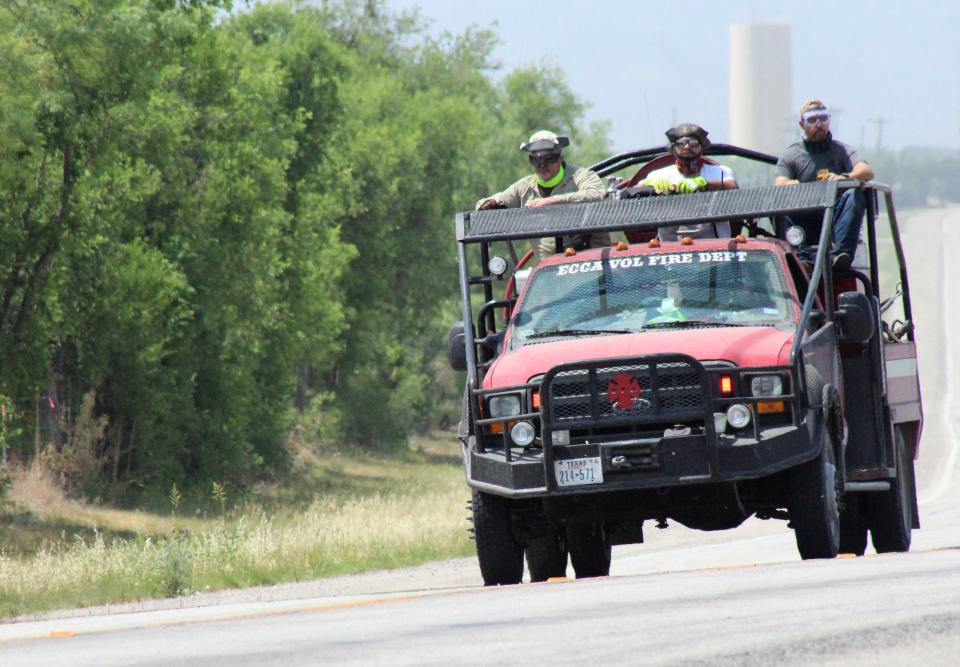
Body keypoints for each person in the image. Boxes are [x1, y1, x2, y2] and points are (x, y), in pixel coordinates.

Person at [775, 100, 875, 270]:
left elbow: (866, 171)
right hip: (804, 219)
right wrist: (791, 184)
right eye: (812, 120)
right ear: (802, 124)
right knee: (781, 199)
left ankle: (839, 256)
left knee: (854, 194)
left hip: (834, 220)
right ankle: (802, 257)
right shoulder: (791, 155)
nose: (818, 125)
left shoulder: (842, 150)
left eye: (823, 119)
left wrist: (843, 178)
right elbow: (780, 183)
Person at [476, 130, 608, 258]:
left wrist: (552, 201)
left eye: (548, 159)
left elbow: (596, 193)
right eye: (536, 160)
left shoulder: (581, 175)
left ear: (560, 159)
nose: (542, 165)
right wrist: (487, 205)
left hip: (593, 264)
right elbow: (493, 201)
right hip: (549, 272)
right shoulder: (524, 187)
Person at [639, 123, 738, 241]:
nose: (686, 147)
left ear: (702, 146)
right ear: (673, 148)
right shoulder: (658, 175)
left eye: (693, 143)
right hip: (669, 250)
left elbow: (732, 187)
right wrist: (650, 186)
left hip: (715, 248)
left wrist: (703, 184)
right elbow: (632, 191)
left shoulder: (719, 172)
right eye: (680, 143)